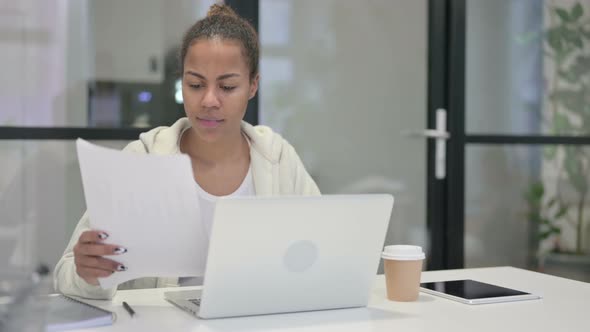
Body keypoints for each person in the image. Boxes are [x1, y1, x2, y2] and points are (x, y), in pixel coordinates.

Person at [54, 4, 320, 300]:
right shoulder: (142, 160)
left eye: (227, 86)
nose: (209, 100)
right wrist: (88, 273)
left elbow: (323, 253)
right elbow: (66, 273)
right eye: (195, 84)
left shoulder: (279, 159)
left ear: (253, 85)